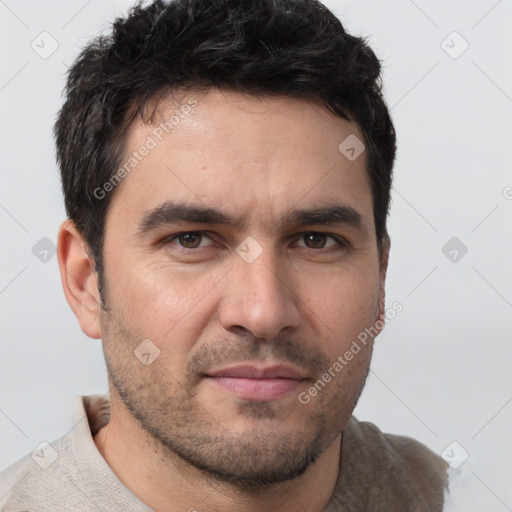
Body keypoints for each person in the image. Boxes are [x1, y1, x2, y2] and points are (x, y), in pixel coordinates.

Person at [0, 0, 455, 510]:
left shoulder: (444, 493)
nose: (263, 312)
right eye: (191, 239)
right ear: (86, 281)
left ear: (381, 279)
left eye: (316, 240)